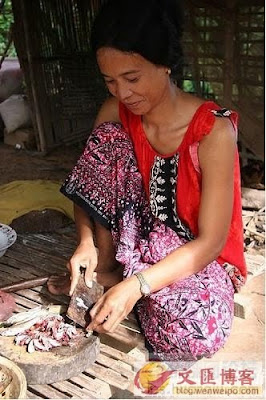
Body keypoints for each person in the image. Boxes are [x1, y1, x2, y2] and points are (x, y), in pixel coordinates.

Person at [49, 0, 247, 362]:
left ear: (165, 63)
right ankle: (108, 268)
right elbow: (89, 185)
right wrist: (85, 243)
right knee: (108, 139)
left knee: (195, 333)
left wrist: (138, 285)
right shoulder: (115, 113)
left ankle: (125, 282)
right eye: (110, 81)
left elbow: (211, 243)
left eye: (132, 78)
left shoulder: (213, 131)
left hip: (192, 257)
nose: (122, 93)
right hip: (132, 241)